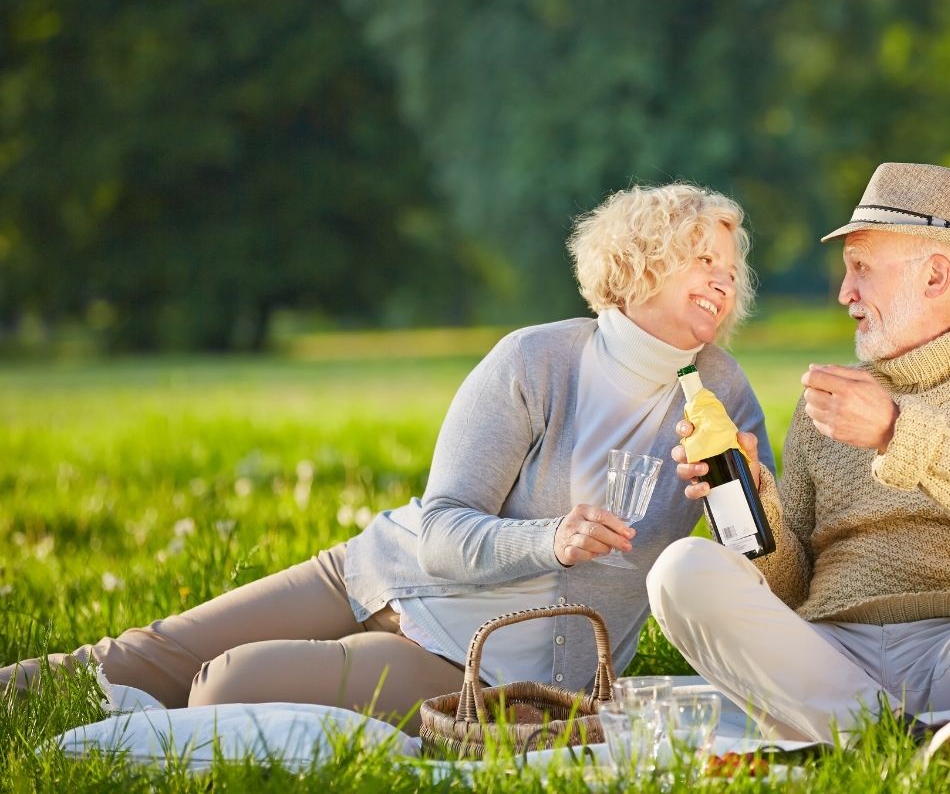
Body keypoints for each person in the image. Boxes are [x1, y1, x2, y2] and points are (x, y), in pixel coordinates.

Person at [1, 183, 774, 734]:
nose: (724, 275)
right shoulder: (536, 360)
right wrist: (550, 538)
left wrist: (752, 494)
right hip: (387, 568)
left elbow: (755, 561)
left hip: (472, 661)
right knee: (152, 652)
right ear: (640, 263)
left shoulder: (721, 392)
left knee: (223, 684)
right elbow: (441, 526)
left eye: (730, 266)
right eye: (701, 255)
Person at [647, 163, 950, 758]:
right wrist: (754, 502)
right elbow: (791, 587)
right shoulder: (826, 409)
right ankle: (924, 737)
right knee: (680, 570)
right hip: (829, 662)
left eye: (861, 268)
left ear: (936, 274)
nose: (845, 294)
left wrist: (896, 430)